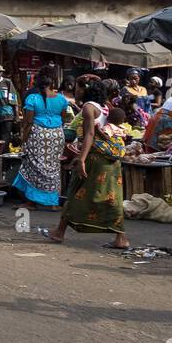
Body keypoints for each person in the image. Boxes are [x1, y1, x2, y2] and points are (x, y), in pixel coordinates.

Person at [46, 81, 131, 248]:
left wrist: (82, 159)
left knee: (75, 191)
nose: (74, 90)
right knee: (111, 197)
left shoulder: (88, 107)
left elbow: (89, 134)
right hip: (110, 161)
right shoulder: (105, 106)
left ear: (85, 90)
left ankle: (59, 232)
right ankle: (121, 237)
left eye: (78, 87)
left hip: (95, 159)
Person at [12, 70, 69, 210]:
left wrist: (23, 140)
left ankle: (31, 202)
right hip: (56, 136)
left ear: (36, 83)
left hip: (38, 135)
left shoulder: (32, 99)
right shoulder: (62, 99)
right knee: (53, 167)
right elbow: (62, 119)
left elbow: (28, 122)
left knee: (34, 167)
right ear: (53, 83)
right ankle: (53, 203)